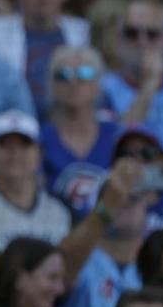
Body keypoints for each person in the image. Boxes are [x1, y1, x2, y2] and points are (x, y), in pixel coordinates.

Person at [63, 181, 150, 307]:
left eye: (134, 198)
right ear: (99, 207)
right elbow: (62, 268)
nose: (125, 203)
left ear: (146, 207)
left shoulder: (160, 262)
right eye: (116, 199)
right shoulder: (79, 258)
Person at [0, 110, 72, 245]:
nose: (15, 152)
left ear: (40, 154)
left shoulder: (63, 208)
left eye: (24, 144)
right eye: (4, 144)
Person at [40, 45, 120, 218]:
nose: (73, 83)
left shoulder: (117, 137)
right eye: (63, 75)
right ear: (51, 84)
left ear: (98, 83)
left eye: (85, 74)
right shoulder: (37, 141)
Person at [100, 0, 163, 147]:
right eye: (131, 33)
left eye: (152, 33)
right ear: (118, 39)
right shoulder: (101, 88)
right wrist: (150, 84)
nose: (142, 41)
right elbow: (112, 144)